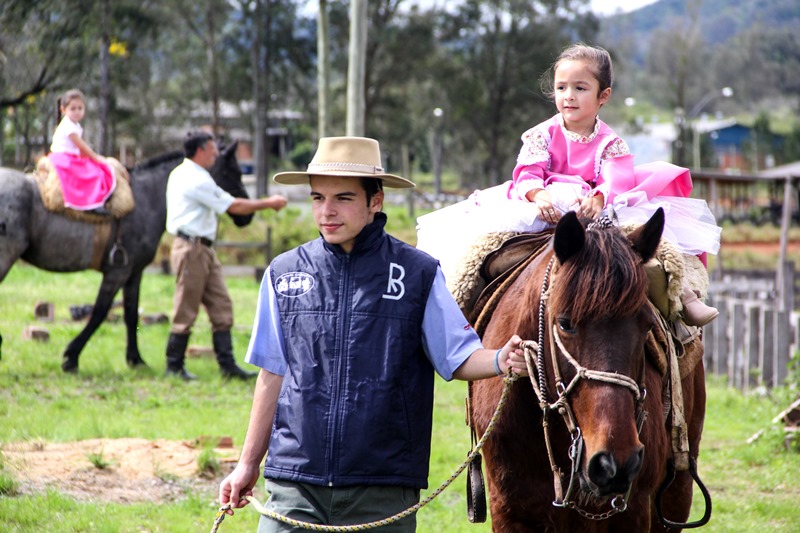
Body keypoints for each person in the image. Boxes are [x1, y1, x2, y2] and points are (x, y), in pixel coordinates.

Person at [218, 136, 528, 532]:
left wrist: (503, 358)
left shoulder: (417, 274)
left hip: (383, 488)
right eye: (317, 198)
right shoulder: (283, 273)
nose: (327, 212)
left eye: (343, 198)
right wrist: (247, 465)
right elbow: (271, 375)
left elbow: (458, 356)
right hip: (295, 484)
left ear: (375, 201)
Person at [416, 43, 720, 327]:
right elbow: (528, 172)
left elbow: (617, 178)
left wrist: (600, 197)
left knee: (654, 238)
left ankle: (684, 298)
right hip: (546, 203)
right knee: (486, 246)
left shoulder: (611, 142)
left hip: (595, 207)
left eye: (580, 88)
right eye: (561, 88)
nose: (568, 96)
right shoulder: (541, 135)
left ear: (604, 95)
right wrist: (539, 195)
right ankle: (459, 312)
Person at [165, 130, 288, 381]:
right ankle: (173, 366)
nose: (215, 154)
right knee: (186, 308)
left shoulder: (187, 173)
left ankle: (227, 366)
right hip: (192, 250)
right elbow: (233, 205)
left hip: (203, 249)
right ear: (200, 150)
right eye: (212, 150)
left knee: (222, 305)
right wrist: (269, 203)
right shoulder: (194, 178)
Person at [48, 89, 116, 213]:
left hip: (70, 156)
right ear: (63, 110)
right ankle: (91, 204)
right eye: (73, 109)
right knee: (92, 174)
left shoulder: (75, 125)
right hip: (63, 158)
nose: (77, 112)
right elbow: (82, 147)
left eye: (80, 108)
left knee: (94, 168)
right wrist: (96, 157)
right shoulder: (68, 126)